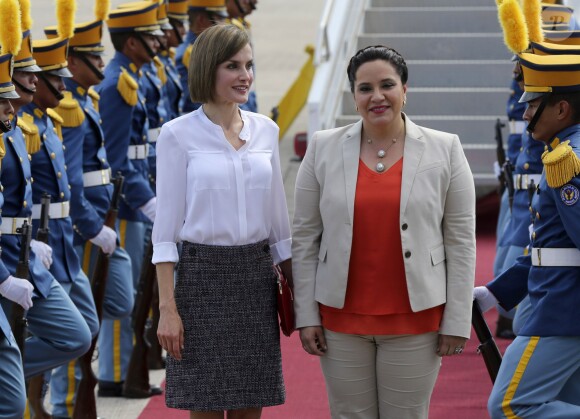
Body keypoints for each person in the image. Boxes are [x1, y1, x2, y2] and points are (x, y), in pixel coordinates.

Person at [292, 45, 476, 419]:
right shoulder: (322, 148)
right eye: (365, 88)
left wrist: (457, 320)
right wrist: (306, 314)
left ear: (405, 89)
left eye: (387, 85)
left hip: (416, 322)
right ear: (353, 95)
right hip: (340, 323)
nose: (377, 96)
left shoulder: (446, 149)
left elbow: (461, 240)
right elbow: (305, 238)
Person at [152, 24, 292, 417]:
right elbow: (164, 235)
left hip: (255, 280)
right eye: (233, 65)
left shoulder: (266, 130)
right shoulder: (177, 135)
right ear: (209, 69)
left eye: (249, 65)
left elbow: (280, 229)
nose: (245, 75)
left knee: (251, 408)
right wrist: (168, 308)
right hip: (201, 284)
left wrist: (301, 299)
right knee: (206, 408)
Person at [474, 51, 580, 418]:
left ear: (562, 109)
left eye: (534, 104)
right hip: (562, 304)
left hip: (563, 310)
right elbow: (548, 248)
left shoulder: (567, 162)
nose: (524, 112)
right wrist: (494, 293)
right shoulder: (562, 153)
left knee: (512, 406)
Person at [46, 2, 136, 412]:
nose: (101, 62)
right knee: (78, 329)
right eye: (92, 57)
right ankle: (65, 405)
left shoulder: (86, 101)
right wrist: (90, 226)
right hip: (83, 230)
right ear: (72, 62)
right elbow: (70, 182)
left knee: (116, 303)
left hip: (98, 221)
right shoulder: (69, 110)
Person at [94, 2, 163, 398]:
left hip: (141, 194)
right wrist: (146, 200)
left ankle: (121, 369)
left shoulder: (134, 77)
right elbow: (118, 159)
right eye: (150, 35)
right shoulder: (119, 84)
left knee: (137, 287)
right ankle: (114, 374)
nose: (157, 40)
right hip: (127, 202)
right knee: (124, 291)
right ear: (132, 42)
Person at [175, 0, 227, 114]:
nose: (224, 25)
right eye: (219, 19)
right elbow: (180, 106)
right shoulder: (188, 55)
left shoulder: (210, 49)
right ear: (201, 20)